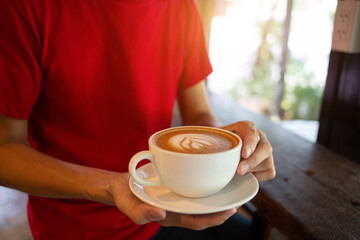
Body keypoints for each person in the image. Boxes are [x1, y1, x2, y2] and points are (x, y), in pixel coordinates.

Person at [0, 0, 275, 239]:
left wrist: (226, 148)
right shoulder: (22, 7)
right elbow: (5, 148)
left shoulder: (181, 6)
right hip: (74, 227)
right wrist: (110, 186)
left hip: (168, 205)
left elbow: (199, 113)